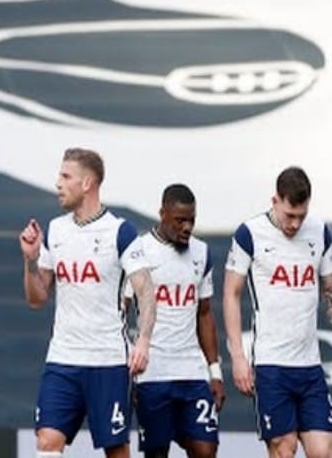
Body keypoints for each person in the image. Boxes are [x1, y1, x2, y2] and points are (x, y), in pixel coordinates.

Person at [19, 147, 156, 458]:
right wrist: (29, 261)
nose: (58, 184)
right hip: (63, 358)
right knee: (47, 442)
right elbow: (37, 298)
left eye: (66, 177)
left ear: (87, 184)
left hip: (107, 360)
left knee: (116, 450)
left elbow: (146, 291)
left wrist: (144, 341)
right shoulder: (55, 230)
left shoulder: (120, 231)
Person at [223, 166, 332, 458]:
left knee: (324, 450)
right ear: (275, 201)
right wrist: (238, 357)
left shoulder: (319, 232)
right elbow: (231, 294)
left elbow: (331, 290)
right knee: (284, 448)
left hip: (310, 365)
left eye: (301, 216)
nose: (295, 224)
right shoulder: (250, 234)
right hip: (271, 365)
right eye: (289, 215)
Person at [126, 184, 224, 458]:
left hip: (192, 373)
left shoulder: (202, 253)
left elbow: (204, 313)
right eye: (180, 220)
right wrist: (127, 367)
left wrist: (214, 372)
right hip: (152, 374)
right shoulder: (138, 251)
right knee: (157, 454)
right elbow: (121, 310)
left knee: (206, 450)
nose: (187, 227)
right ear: (162, 214)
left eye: (192, 219)